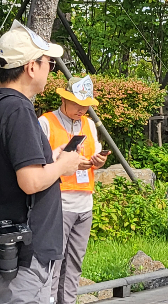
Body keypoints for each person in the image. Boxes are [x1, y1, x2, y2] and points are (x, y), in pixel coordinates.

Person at [0, 20, 82, 303]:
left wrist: (52, 158)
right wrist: (63, 166)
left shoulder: (4, 105)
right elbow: (30, 181)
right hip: (24, 253)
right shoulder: (19, 109)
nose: (51, 68)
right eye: (49, 62)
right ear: (31, 67)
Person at [38, 75, 109, 304]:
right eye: (78, 103)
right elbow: (37, 163)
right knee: (54, 261)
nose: (82, 109)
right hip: (57, 202)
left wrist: (98, 161)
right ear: (64, 100)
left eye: (86, 104)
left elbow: (94, 154)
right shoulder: (46, 122)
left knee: (75, 262)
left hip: (84, 202)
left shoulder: (88, 124)